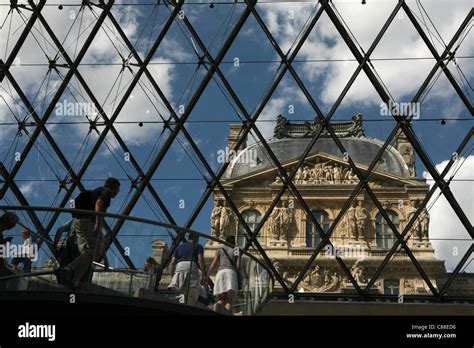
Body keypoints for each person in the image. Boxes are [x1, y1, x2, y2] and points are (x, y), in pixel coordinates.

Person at [64, 177, 121, 289]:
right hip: (88, 222)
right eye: (118, 189)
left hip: (81, 222)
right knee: (92, 253)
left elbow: (101, 242)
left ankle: (75, 280)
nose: (118, 192)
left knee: (92, 252)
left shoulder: (98, 190)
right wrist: (97, 224)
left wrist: (106, 262)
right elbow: (99, 204)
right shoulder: (107, 192)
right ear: (114, 187)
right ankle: (69, 268)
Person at [168, 233, 208, 306]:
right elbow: (200, 260)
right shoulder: (198, 246)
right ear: (196, 238)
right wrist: (204, 275)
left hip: (179, 267)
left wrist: (172, 276)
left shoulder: (179, 247)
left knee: (180, 294)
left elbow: (172, 263)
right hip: (191, 267)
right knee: (191, 294)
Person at [207, 235, 241, 314]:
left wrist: (207, 275)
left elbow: (214, 263)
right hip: (231, 273)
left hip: (220, 273)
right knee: (229, 300)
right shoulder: (236, 249)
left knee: (220, 299)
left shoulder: (220, 249)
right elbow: (238, 265)